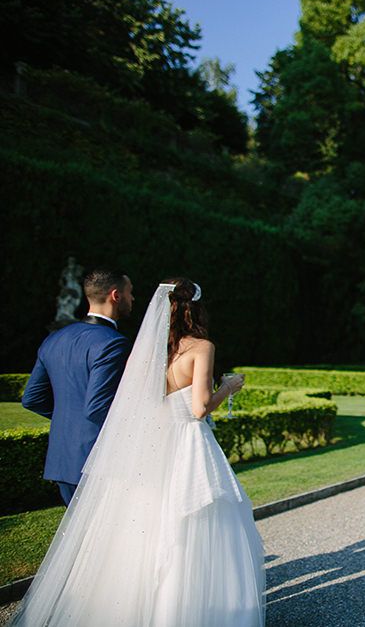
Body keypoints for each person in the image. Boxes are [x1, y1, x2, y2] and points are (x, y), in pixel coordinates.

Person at [13, 279, 266, 626]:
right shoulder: (201, 347)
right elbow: (199, 408)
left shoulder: (147, 351)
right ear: (197, 311)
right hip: (187, 444)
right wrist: (229, 386)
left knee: (139, 528)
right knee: (194, 524)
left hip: (149, 444)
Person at [22, 268, 133, 505]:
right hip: (97, 460)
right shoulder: (113, 344)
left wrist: (68, 417)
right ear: (116, 295)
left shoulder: (54, 339)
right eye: (130, 293)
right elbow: (97, 408)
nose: (133, 299)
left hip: (62, 458)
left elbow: (31, 398)